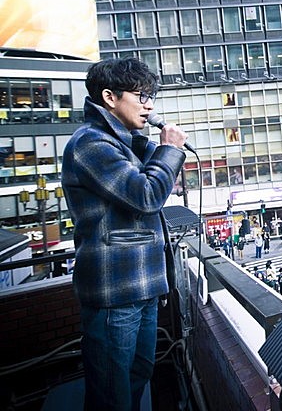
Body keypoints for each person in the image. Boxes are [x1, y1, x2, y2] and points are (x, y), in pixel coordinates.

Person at [61, 57, 188, 410]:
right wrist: (171, 150)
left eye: (151, 97)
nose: (149, 105)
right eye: (141, 96)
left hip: (142, 287)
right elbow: (145, 195)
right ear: (109, 97)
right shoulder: (91, 144)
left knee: (136, 378)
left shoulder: (125, 143)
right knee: (111, 393)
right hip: (114, 294)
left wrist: (158, 150)